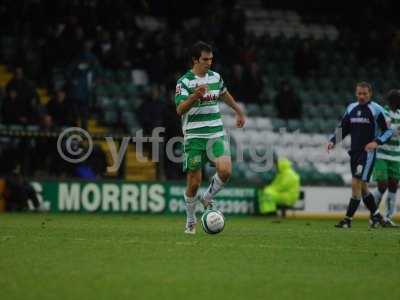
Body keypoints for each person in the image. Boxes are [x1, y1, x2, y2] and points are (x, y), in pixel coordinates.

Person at [175, 41, 246, 234]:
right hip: (194, 137)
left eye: (211, 59)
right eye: (205, 60)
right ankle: (190, 220)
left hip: (215, 134)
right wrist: (194, 97)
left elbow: (224, 94)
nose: (209, 63)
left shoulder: (216, 77)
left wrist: (238, 111)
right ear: (195, 60)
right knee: (194, 182)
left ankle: (207, 198)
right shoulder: (184, 82)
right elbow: (180, 109)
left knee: (225, 170)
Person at [326, 82, 393, 228]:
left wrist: (377, 142)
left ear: (370, 94)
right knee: (363, 187)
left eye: (365, 94)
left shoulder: (376, 110)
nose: (361, 96)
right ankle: (376, 216)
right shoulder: (351, 108)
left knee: (356, 183)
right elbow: (343, 128)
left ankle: (347, 220)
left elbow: (389, 130)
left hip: (367, 153)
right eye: (359, 94)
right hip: (354, 152)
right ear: (356, 94)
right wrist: (332, 141)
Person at [371, 89, 400, 227]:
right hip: (381, 155)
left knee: (394, 185)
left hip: (395, 156)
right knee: (382, 185)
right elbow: (384, 131)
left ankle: (388, 218)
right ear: (394, 100)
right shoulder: (383, 112)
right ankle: (374, 216)